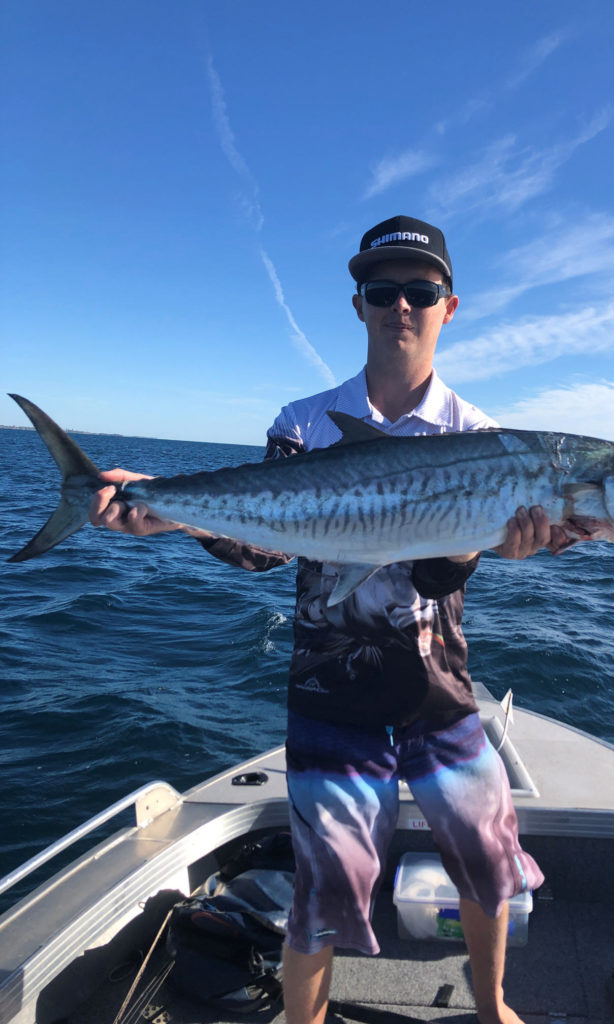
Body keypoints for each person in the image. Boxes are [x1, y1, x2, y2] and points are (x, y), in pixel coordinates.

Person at [90, 215, 573, 1024]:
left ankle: (492, 1009)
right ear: (359, 305)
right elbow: (268, 549)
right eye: (383, 291)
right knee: (326, 889)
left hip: (439, 693)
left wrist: (490, 544)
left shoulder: (482, 437)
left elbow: (435, 569)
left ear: (449, 306)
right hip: (331, 694)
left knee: (491, 866)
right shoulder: (305, 422)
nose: (401, 306)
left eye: (419, 291)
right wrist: (171, 513)